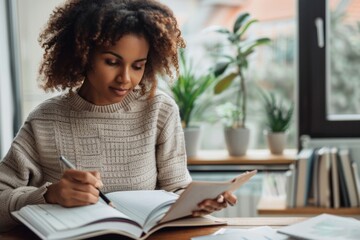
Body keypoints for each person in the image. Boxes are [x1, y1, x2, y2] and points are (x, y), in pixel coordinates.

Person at [0, 0, 237, 231]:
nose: (125, 78)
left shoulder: (159, 111)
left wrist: (200, 202)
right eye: (112, 62)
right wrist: (49, 195)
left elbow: (177, 191)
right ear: (84, 55)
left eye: (138, 66)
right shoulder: (45, 120)